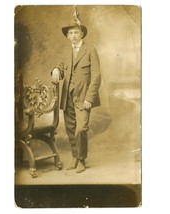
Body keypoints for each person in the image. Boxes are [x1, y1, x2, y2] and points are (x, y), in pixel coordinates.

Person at [51, 13, 101, 173]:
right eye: (70, 33)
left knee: (81, 129)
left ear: (82, 34)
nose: (73, 35)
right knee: (71, 129)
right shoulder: (66, 52)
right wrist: (55, 70)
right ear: (67, 36)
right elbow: (61, 69)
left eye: (75, 32)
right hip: (68, 97)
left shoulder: (90, 50)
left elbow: (96, 76)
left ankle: (81, 159)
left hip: (83, 97)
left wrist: (89, 98)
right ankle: (74, 156)